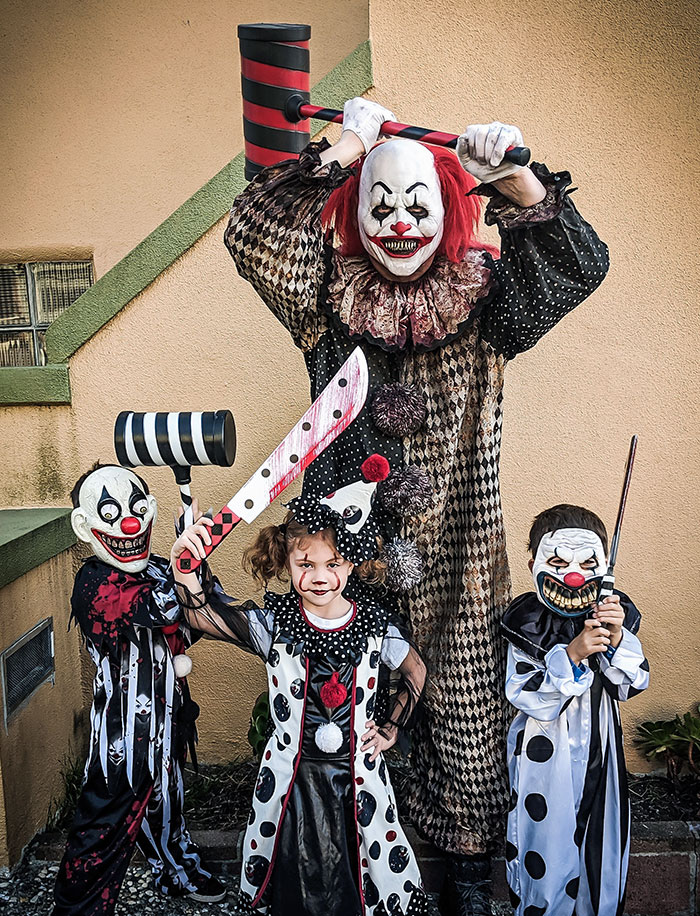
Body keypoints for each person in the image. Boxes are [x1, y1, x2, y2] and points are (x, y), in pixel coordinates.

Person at [225, 97, 610, 913]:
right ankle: (340, 866)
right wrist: (348, 144)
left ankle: (469, 881)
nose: (399, 221)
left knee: (465, 708)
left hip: (458, 550)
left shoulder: (487, 299)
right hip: (342, 550)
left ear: (450, 207)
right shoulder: (326, 299)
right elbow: (252, 232)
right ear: (357, 214)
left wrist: (513, 178)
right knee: (342, 706)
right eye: (380, 201)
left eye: (418, 202)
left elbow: (580, 263)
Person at [171, 458, 429, 916]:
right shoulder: (275, 624)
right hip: (290, 772)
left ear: (352, 566)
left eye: (334, 562)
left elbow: (415, 672)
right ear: (286, 561)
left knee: (364, 872)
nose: (320, 574)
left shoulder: (375, 626)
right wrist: (187, 572)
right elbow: (200, 614)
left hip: (357, 774)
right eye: (305, 562)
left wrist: (390, 729)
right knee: (291, 878)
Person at [52, 463, 225, 916]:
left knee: (168, 805)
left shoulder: (161, 567)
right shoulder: (93, 582)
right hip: (122, 741)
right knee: (102, 827)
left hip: (168, 723)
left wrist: (194, 563)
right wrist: (186, 567)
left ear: (149, 510)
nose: (128, 523)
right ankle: (77, 907)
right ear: (85, 526)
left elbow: (199, 617)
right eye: (110, 512)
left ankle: (177, 871)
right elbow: (163, 608)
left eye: (135, 508)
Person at [500, 504, 650, 916]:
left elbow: (630, 683)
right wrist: (571, 654)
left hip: (601, 751)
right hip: (544, 756)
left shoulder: (610, 614)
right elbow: (528, 695)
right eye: (558, 561)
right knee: (547, 846)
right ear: (533, 562)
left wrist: (617, 639)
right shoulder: (527, 620)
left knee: (601, 844)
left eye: (587, 563)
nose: (573, 574)